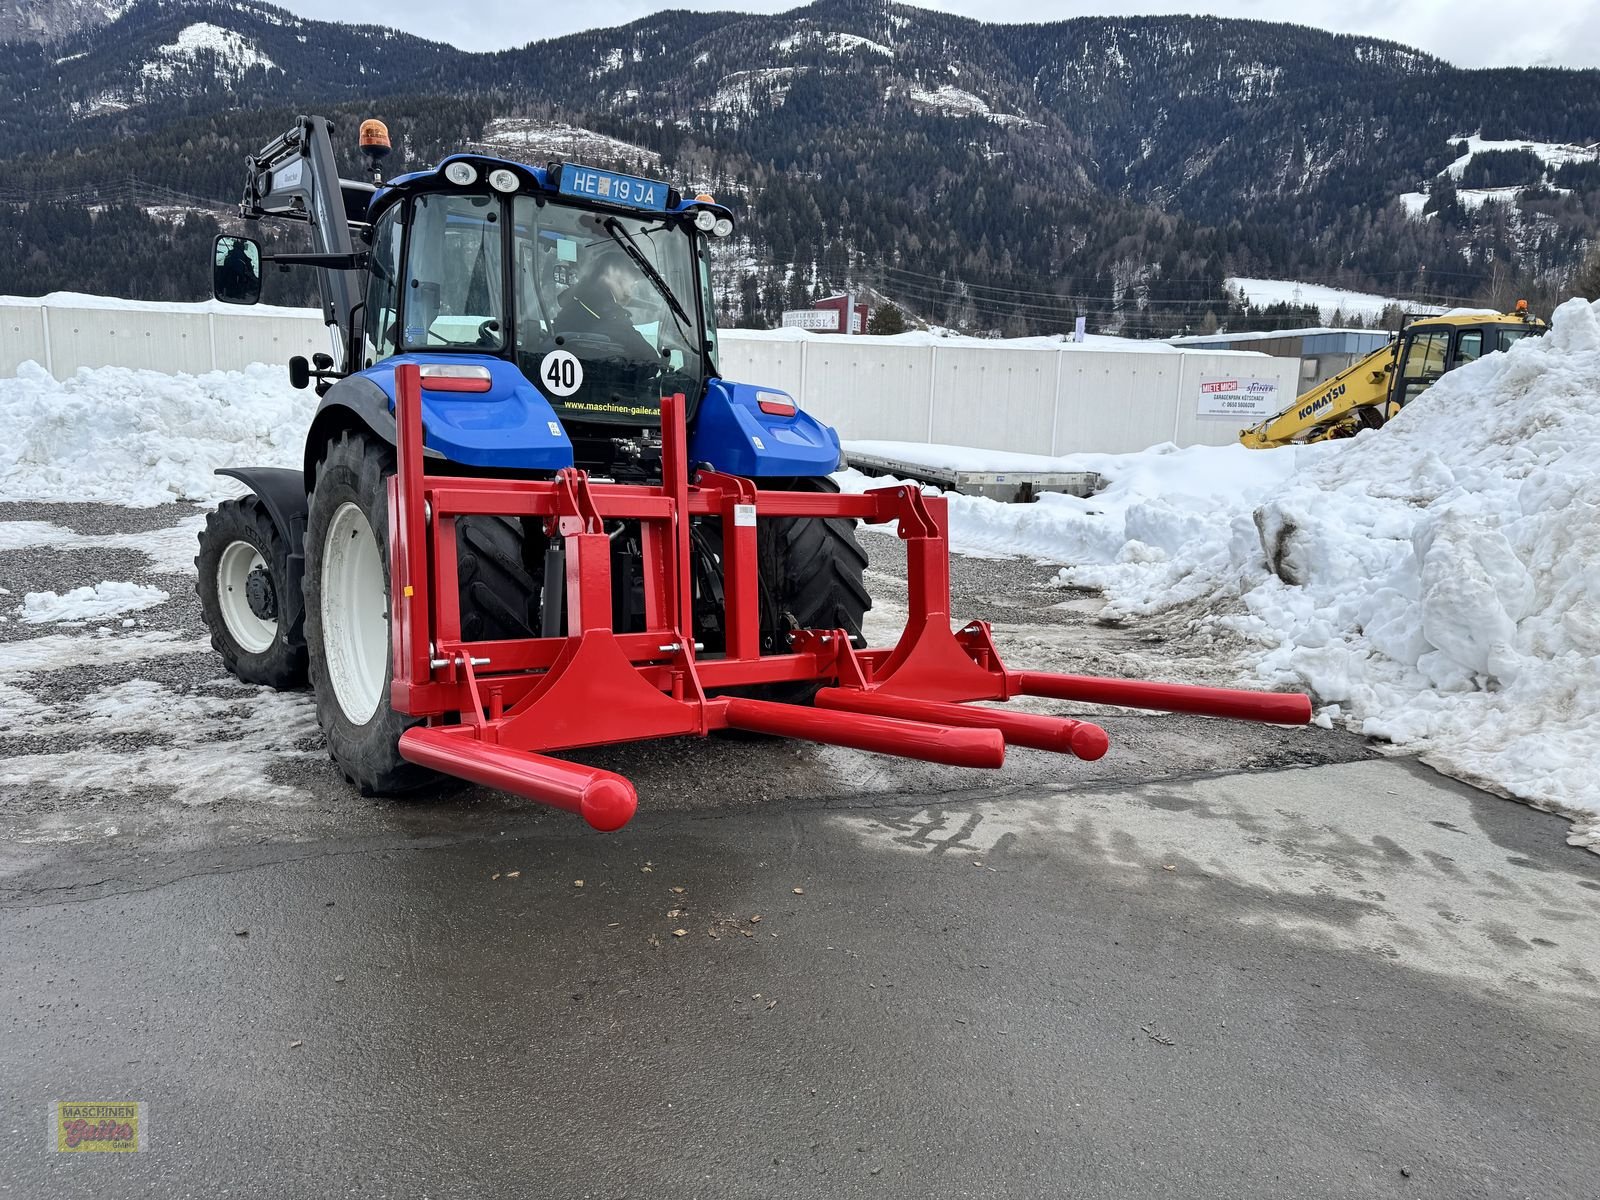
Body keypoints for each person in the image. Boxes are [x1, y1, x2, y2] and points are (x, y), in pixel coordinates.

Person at [553, 245, 660, 363]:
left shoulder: (576, 304)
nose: (629, 293)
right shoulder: (609, 315)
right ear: (612, 277)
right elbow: (651, 359)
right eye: (630, 285)